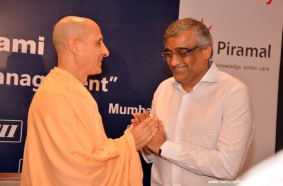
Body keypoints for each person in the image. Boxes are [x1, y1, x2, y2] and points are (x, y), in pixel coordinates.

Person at [20, 16, 159, 186]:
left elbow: (90, 154)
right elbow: (76, 172)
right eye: (98, 42)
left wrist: (129, 140)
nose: (105, 51)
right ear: (74, 46)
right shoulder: (56, 95)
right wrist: (130, 142)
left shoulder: (70, 90)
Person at [135, 17, 254, 186]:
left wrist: (163, 147)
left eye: (182, 52)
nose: (174, 62)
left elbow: (227, 166)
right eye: (169, 54)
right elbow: (155, 155)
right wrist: (147, 146)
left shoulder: (233, 92)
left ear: (206, 51)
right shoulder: (163, 88)